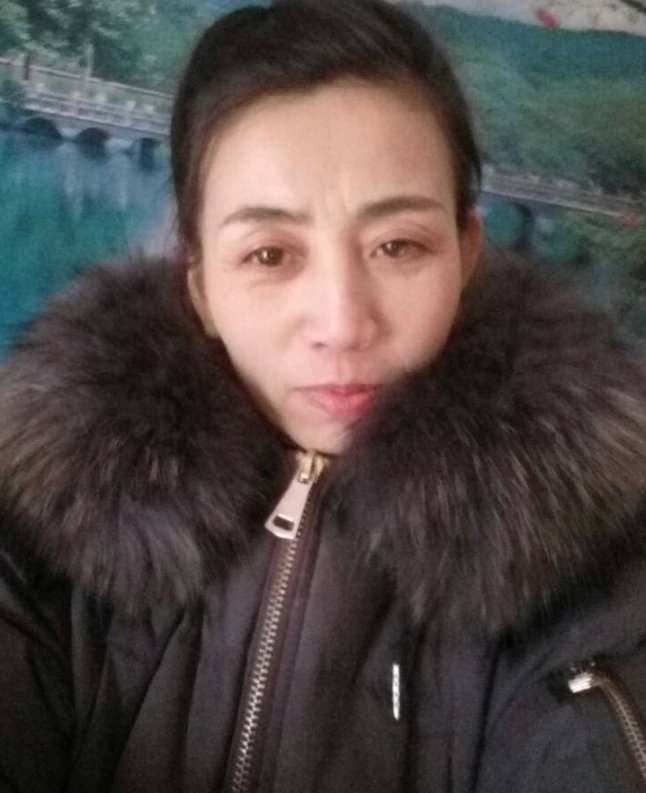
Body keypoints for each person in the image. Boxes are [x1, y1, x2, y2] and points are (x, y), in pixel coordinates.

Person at [1, 1, 646, 791]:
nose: (342, 324)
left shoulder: (588, 550)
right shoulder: (40, 509)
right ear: (200, 286)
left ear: (465, 254)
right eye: (270, 254)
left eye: (397, 245)